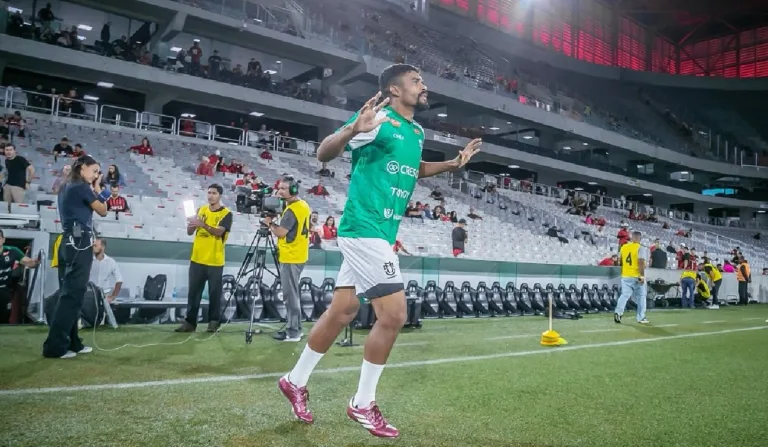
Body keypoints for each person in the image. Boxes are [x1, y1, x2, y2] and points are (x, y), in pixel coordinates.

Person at [277, 63, 482, 438]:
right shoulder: (377, 119)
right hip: (363, 228)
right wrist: (354, 127)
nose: (424, 85)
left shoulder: (416, 130)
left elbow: (414, 169)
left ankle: (294, 379)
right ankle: (362, 403)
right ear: (394, 89)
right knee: (394, 315)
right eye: (417, 81)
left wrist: (453, 163)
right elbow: (324, 152)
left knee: (343, 310)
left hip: (381, 233)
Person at [42, 155, 109, 358]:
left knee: (69, 293)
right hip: (78, 242)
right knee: (72, 296)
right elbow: (103, 210)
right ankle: (55, 346)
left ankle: (73, 343)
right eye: (94, 170)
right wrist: (98, 188)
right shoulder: (81, 187)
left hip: (67, 241)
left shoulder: (66, 186)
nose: (96, 175)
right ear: (82, 168)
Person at [175, 184, 232, 333]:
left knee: (214, 294)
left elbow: (219, 232)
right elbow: (189, 232)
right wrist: (192, 223)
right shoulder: (200, 210)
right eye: (208, 193)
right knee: (193, 293)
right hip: (197, 259)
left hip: (215, 260)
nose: (210, 196)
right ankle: (190, 322)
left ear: (220, 195)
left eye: (213, 193)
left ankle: (213, 322)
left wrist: (203, 224)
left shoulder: (226, 213)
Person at [264, 176, 311, 342]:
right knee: (293, 294)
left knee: (290, 296)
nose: (279, 191)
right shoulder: (302, 205)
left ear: (292, 190)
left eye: (283, 188)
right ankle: (296, 328)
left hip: (291, 256)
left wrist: (269, 223)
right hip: (299, 254)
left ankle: (293, 332)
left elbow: (280, 232)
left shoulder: (292, 210)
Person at [0, 229, 40, 324]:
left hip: (3, 291)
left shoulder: (12, 251)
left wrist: (36, 261)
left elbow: (30, 263)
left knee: (3, 318)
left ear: (3, 239)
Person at [613, 231, 649, 324]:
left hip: (625, 275)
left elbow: (619, 261)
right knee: (641, 296)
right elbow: (640, 261)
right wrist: (641, 276)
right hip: (636, 276)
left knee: (624, 295)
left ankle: (618, 312)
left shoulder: (624, 247)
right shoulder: (640, 248)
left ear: (632, 238)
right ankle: (641, 317)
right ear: (640, 239)